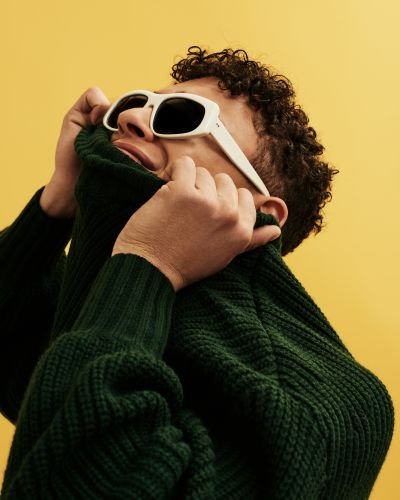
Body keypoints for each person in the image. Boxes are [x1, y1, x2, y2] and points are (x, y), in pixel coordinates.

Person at [0, 47, 393, 499]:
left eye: (181, 117)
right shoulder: (109, 296)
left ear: (261, 208)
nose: (130, 119)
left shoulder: (327, 401)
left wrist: (149, 262)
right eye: (136, 104)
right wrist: (57, 202)